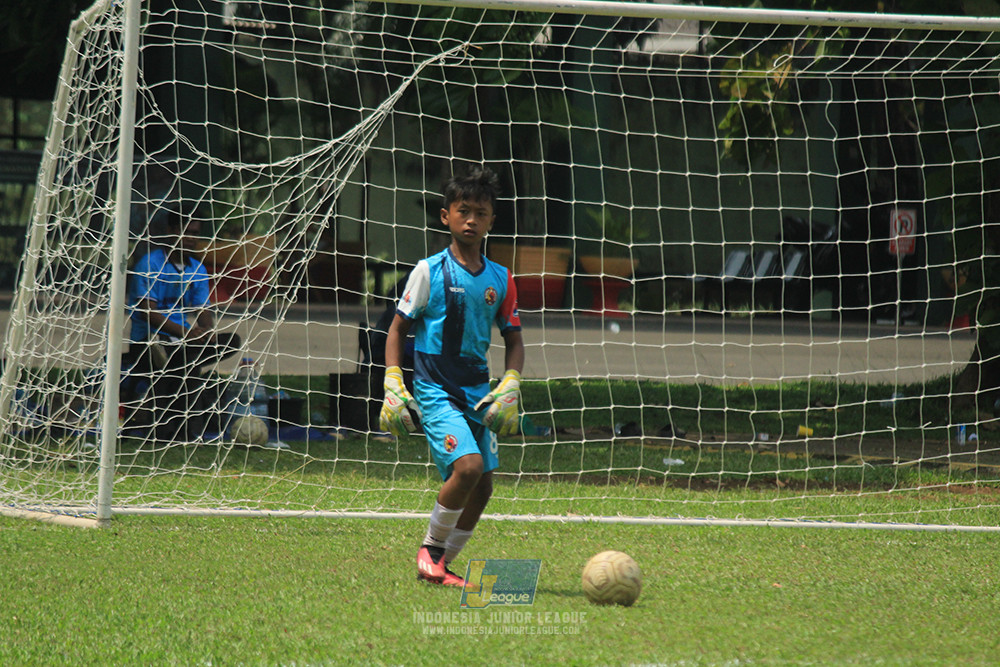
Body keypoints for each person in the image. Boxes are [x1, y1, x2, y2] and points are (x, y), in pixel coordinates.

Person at [380, 166, 525, 587]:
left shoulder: (501, 278)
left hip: (479, 391)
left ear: (491, 221)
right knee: (468, 467)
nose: (471, 220)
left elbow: (514, 339)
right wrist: (393, 381)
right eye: (463, 211)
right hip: (435, 388)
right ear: (446, 216)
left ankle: (440, 565)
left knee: (482, 487)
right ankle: (430, 551)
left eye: (481, 213)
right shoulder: (429, 271)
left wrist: (511, 382)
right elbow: (397, 329)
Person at [127, 204, 242, 441]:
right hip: (150, 340)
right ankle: (178, 429)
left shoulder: (197, 268)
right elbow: (149, 313)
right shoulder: (150, 264)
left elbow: (203, 310)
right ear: (171, 230)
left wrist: (207, 333)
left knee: (231, 340)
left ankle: (181, 424)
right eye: (186, 232)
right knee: (185, 360)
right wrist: (188, 334)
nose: (191, 239)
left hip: (184, 342)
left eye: (196, 234)